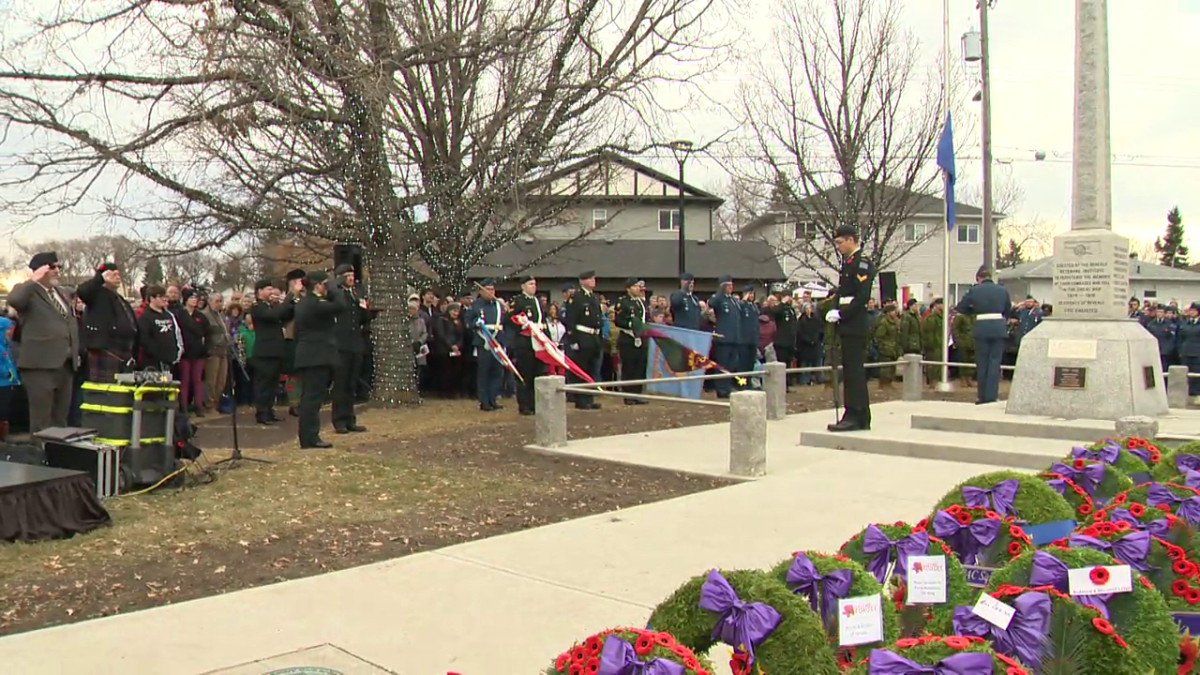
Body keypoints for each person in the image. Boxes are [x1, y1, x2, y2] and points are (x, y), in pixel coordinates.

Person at [7, 252, 80, 434]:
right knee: (42, 419)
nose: (57, 271)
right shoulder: (27, 290)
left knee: (60, 418)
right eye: (52, 267)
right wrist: (34, 280)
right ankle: (39, 457)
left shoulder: (61, 293)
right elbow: (14, 301)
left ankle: (57, 455)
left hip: (66, 363)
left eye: (58, 267)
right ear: (40, 269)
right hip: (40, 365)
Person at [823, 225, 876, 432]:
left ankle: (856, 414)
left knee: (854, 372)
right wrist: (834, 310)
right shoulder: (849, 263)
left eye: (840, 242)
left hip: (854, 323)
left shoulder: (861, 263)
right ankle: (856, 413)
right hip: (846, 323)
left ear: (851, 240)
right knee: (851, 371)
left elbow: (862, 296)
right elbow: (842, 293)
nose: (838, 247)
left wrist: (843, 314)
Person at [292, 271, 345, 449]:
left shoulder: (304, 303)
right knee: (312, 398)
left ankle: (309, 436)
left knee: (311, 397)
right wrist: (335, 288)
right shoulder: (313, 304)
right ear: (317, 285)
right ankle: (309, 437)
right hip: (316, 355)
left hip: (310, 353)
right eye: (324, 284)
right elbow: (340, 305)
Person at [954, 266, 1013, 405]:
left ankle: (982, 396)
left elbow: (961, 307)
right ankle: (992, 396)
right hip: (998, 328)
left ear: (978, 278)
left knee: (982, 363)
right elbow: (1008, 310)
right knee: (995, 363)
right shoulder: (1002, 290)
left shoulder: (974, 290)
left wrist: (974, 311)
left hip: (981, 328)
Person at [75, 261, 138, 383]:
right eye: (113, 274)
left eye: (118, 274)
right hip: (105, 350)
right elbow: (82, 291)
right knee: (106, 392)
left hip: (123, 351)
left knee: (122, 391)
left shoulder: (120, 299)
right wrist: (100, 278)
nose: (117, 277)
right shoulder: (95, 294)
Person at [330, 263, 372, 433]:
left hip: (355, 343)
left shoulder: (356, 293)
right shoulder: (335, 293)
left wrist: (366, 311)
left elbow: (361, 319)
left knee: (351, 383)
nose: (351, 278)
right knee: (341, 384)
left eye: (352, 275)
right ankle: (338, 419)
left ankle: (349, 418)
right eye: (347, 275)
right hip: (340, 344)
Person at [249, 279, 295, 425]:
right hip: (264, 352)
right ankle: (261, 413)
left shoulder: (271, 306)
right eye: (268, 289)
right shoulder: (258, 307)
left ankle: (269, 411)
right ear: (259, 291)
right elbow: (273, 316)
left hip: (275, 350)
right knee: (264, 384)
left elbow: (285, 317)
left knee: (273, 384)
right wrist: (287, 298)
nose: (271, 292)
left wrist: (291, 304)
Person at [563, 270, 603, 410]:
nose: (593, 281)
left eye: (593, 278)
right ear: (582, 281)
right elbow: (570, 320)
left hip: (593, 337)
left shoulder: (593, 297)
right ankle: (581, 400)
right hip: (582, 336)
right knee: (581, 369)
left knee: (592, 369)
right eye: (590, 279)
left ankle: (589, 398)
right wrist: (573, 339)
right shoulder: (577, 297)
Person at [506, 275, 546, 415]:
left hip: (538, 342)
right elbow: (509, 319)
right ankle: (524, 405)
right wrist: (519, 321)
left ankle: (536, 404)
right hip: (524, 343)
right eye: (530, 284)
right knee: (525, 375)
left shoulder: (537, 301)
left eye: (534, 284)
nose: (533, 286)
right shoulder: (518, 301)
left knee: (538, 374)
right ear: (523, 286)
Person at [469, 279, 507, 412]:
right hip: (483, 342)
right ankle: (484, 401)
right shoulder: (476, 305)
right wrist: (476, 323)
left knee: (497, 373)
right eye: (488, 289)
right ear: (481, 291)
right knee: (484, 372)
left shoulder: (498, 305)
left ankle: (493, 399)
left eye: (492, 289)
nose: (491, 292)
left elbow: (505, 322)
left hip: (497, 342)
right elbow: (468, 321)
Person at [173, 287, 210, 416]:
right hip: (185, 352)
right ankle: (183, 405)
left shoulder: (201, 317)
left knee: (197, 380)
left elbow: (207, 332)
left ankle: (198, 405)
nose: (194, 301)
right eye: (191, 298)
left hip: (198, 352)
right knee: (185, 379)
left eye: (196, 298)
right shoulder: (179, 315)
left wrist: (205, 347)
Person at [614, 277, 650, 405]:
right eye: (634, 286)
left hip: (642, 338)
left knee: (640, 367)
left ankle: (637, 393)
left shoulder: (641, 303)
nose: (637, 289)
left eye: (638, 286)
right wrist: (631, 324)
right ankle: (628, 394)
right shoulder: (623, 302)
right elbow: (618, 321)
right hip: (628, 338)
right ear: (628, 289)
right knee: (629, 367)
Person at [708, 276, 740, 398]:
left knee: (731, 365)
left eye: (732, 285)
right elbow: (712, 303)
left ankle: (727, 387)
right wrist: (720, 292)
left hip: (734, 337)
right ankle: (721, 389)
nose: (731, 288)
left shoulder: (732, 300)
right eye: (728, 285)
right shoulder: (719, 299)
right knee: (722, 364)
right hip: (723, 337)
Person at [136, 285, 183, 371]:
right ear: (152, 298)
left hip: (171, 362)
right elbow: (145, 341)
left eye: (165, 296)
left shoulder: (168, 315)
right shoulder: (145, 317)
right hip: (153, 363)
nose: (164, 299)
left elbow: (175, 335)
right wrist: (160, 356)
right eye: (160, 296)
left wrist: (176, 353)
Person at [200, 292, 230, 412]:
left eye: (221, 301)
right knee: (210, 381)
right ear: (210, 301)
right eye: (217, 301)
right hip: (212, 350)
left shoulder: (221, 316)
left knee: (221, 381)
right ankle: (208, 404)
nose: (219, 304)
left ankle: (216, 403)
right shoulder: (205, 315)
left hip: (223, 350)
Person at [738, 285, 760, 385]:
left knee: (751, 363)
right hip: (744, 339)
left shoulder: (754, 307)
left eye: (752, 293)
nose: (751, 295)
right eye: (749, 293)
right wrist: (743, 300)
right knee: (743, 364)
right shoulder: (742, 305)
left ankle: (749, 383)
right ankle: (742, 383)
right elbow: (738, 309)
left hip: (753, 339)